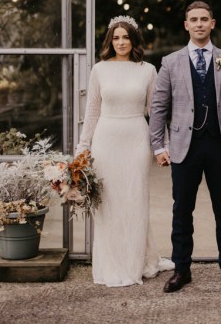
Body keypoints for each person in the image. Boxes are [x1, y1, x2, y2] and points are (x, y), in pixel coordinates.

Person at [149, 1, 221, 292]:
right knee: (182, 210)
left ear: (212, 23)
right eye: (193, 19)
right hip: (184, 146)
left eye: (204, 19)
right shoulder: (170, 62)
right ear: (186, 25)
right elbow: (159, 108)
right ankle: (182, 269)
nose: (199, 24)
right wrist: (158, 146)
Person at [75, 15, 174, 287]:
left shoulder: (147, 70)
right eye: (116, 37)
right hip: (106, 140)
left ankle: (134, 263)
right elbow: (92, 110)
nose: (121, 42)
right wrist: (83, 147)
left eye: (126, 37)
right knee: (108, 203)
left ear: (133, 40)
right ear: (110, 40)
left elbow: (156, 113)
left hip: (136, 140)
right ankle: (110, 263)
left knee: (134, 200)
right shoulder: (99, 69)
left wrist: (160, 146)